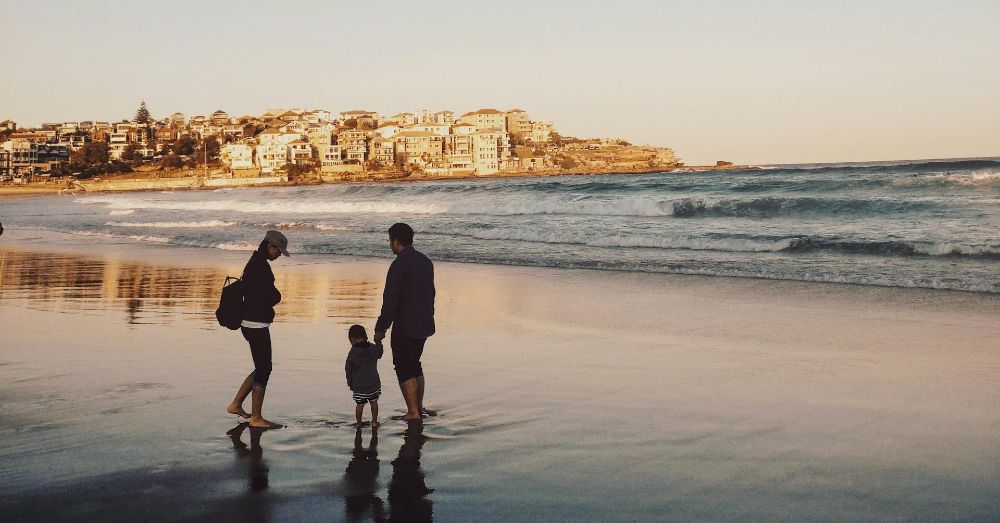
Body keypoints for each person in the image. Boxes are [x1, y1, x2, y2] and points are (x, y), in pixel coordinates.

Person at [227, 230, 288, 429]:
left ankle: (236, 404)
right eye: (279, 251)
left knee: (262, 366)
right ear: (270, 246)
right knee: (265, 368)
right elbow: (269, 296)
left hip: (250, 322)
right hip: (256, 324)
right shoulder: (260, 267)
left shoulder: (255, 262)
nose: (279, 255)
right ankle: (256, 418)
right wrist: (277, 296)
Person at [374, 223, 435, 421]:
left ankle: (413, 412)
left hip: (406, 325)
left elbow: (390, 299)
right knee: (415, 364)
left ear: (396, 241)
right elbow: (431, 293)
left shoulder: (399, 265)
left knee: (403, 366)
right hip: (424, 322)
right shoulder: (425, 261)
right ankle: (419, 407)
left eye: (390, 240)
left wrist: (381, 327)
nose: (389, 244)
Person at [345, 324, 384, 427]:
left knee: (360, 404)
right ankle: (374, 421)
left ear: (352, 339)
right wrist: (378, 342)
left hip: (359, 386)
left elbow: (348, 369)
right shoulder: (373, 348)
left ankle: (358, 423)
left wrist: (350, 383)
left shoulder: (353, 353)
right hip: (373, 383)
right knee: (374, 402)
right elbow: (379, 353)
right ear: (366, 336)